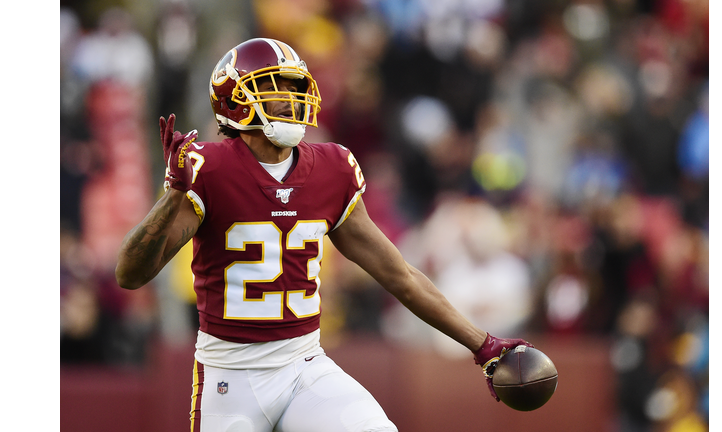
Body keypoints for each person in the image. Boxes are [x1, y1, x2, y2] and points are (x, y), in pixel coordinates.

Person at [115, 37, 532, 432]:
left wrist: (484, 346)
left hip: (304, 363)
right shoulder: (208, 169)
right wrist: (173, 195)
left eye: (295, 85)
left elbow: (399, 275)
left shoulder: (332, 168)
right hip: (231, 373)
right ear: (236, 101)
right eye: (274, 86)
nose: (291, 97)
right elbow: (130, 275)